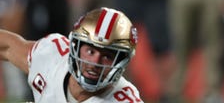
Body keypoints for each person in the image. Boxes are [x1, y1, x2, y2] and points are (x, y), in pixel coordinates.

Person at [0, 7, 142, 102]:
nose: (95, 62)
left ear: (121, 62)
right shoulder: (52, 56)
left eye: (107, 56)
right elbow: (7, 47)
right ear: (76, 46)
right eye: (90, 51)